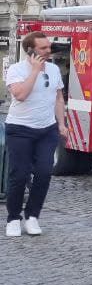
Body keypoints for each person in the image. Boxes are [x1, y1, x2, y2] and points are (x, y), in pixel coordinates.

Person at [4, 32, 68, 238]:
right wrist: (34, 71)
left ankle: (33, 216)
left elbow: (59, 98)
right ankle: (14, 218)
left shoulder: (54, 69)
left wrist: (62, 124)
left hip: (46, 130)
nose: (48, 51)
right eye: (43, 48)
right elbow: (21, 95)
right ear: (30, 50)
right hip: (19, 129)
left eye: (49, 47)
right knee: (19, 175)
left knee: (43, 172)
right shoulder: (15, 69)